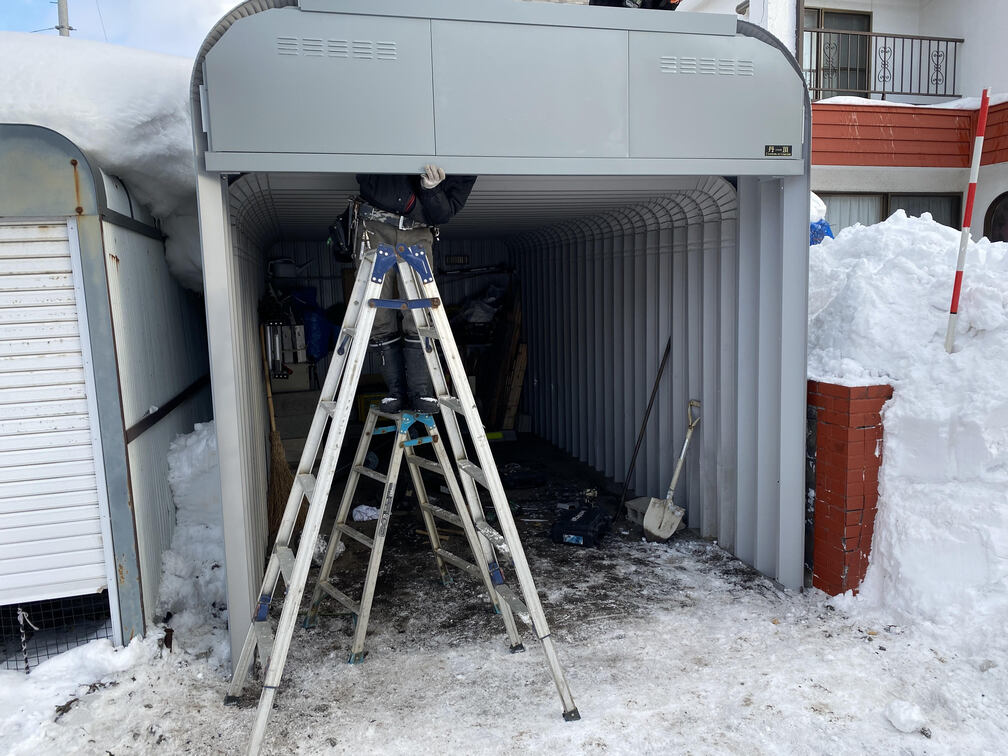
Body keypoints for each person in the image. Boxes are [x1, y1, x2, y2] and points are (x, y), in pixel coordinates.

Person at [352, 166, 477, 415]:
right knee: (377, 312)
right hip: (376, 225)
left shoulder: (466, 162)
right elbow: (367, 177)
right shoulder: (397, 139)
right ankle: (395, 391)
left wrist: (431, 190)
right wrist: (412, 197)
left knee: (420, 314)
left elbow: (445, 211)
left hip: (419, 232)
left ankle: (420, 391)